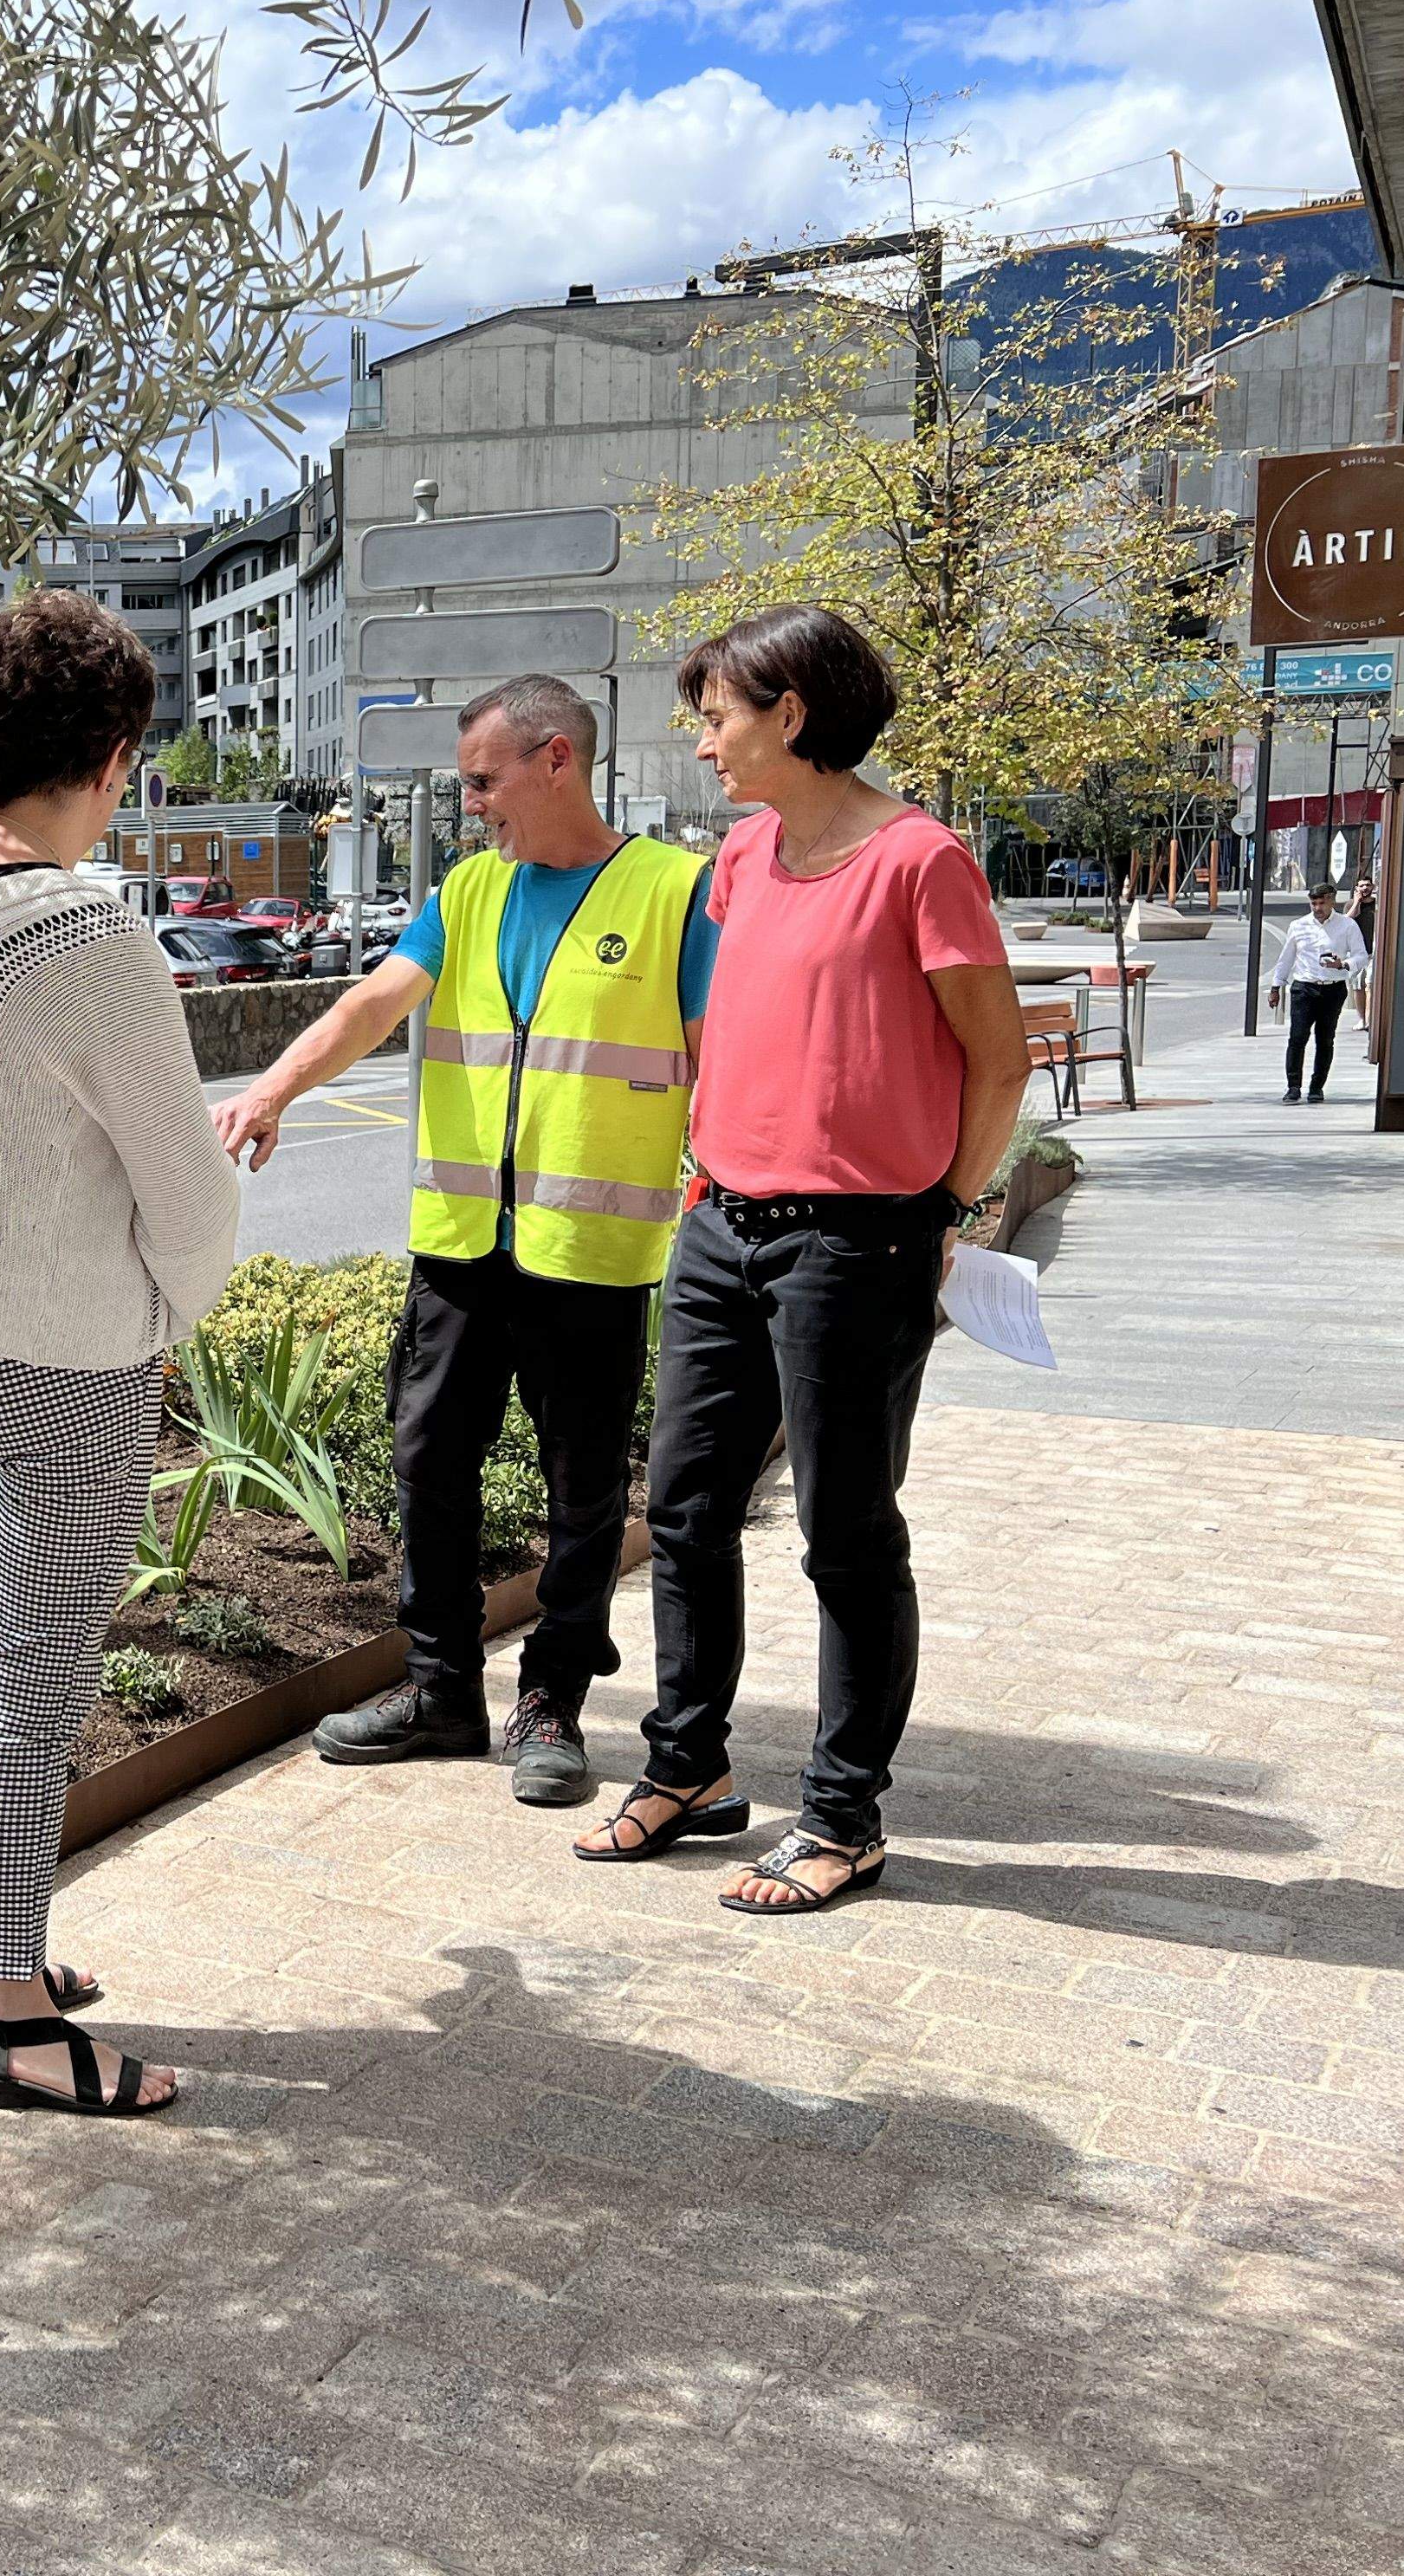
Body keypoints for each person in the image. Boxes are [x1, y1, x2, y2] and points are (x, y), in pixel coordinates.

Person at [0, 588, 240, 2117]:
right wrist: (170, 1311)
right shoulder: (84, 933)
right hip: (66, 1352)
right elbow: (185, 1189)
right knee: (37, 1670)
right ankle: (7, 2013)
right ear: (114, 754)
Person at [578, 605, 1026, 1915]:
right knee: (685, 1511)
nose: (705, 739)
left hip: (858, 1237)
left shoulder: (919, 859)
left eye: (720, 714)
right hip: (720, 1221)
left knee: (844, 1534)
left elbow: (997, 1060)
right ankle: (691, 1772)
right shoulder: (742, 856)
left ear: (794, 715)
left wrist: (942, 1205)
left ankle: (843, 1817)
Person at [211, 676, 715, 1807]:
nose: (473, 801)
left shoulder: (677, 892)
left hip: (590, 1252)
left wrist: (731, 1193)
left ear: (555, 762)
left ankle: (553, 1697)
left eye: (485, 779)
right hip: (461, 1245)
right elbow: (371, 1005)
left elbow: (715, 1054)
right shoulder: (469, 890)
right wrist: (275, 1089)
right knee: (428, 1460)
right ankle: (443, 1689)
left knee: (584, 1490)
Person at [1271, 881, 1369, 1104]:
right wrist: (1276, 987)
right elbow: (1286, 959)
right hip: (1304, 987)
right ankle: (1293, 1087)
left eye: (1321, 903)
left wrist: (1343, 964)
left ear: (1332, 901)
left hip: (1333, 990)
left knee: (1325, 1040)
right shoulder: (1299, 925)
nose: (1317, 908)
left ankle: (1317, 1087)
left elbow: (1361, 956)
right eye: (1313, 903)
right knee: (1297, 1038)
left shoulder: (1347, 926)